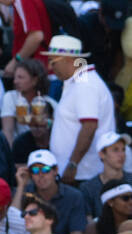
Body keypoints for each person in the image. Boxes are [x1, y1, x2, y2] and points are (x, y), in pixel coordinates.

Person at [45, 34, 117, 185]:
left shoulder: (85, 85)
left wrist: (73, 164)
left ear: (68, 60)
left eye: (52, 62)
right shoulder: (78, 82)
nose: (49, 67)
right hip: (79, 172)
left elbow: (89, 126)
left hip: (83, 174)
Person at [79, 130, 132, 217]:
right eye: (115, 150)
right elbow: (88, 221)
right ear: (102, 154)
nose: (121, 154)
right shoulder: (88, 188)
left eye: (123, 149)